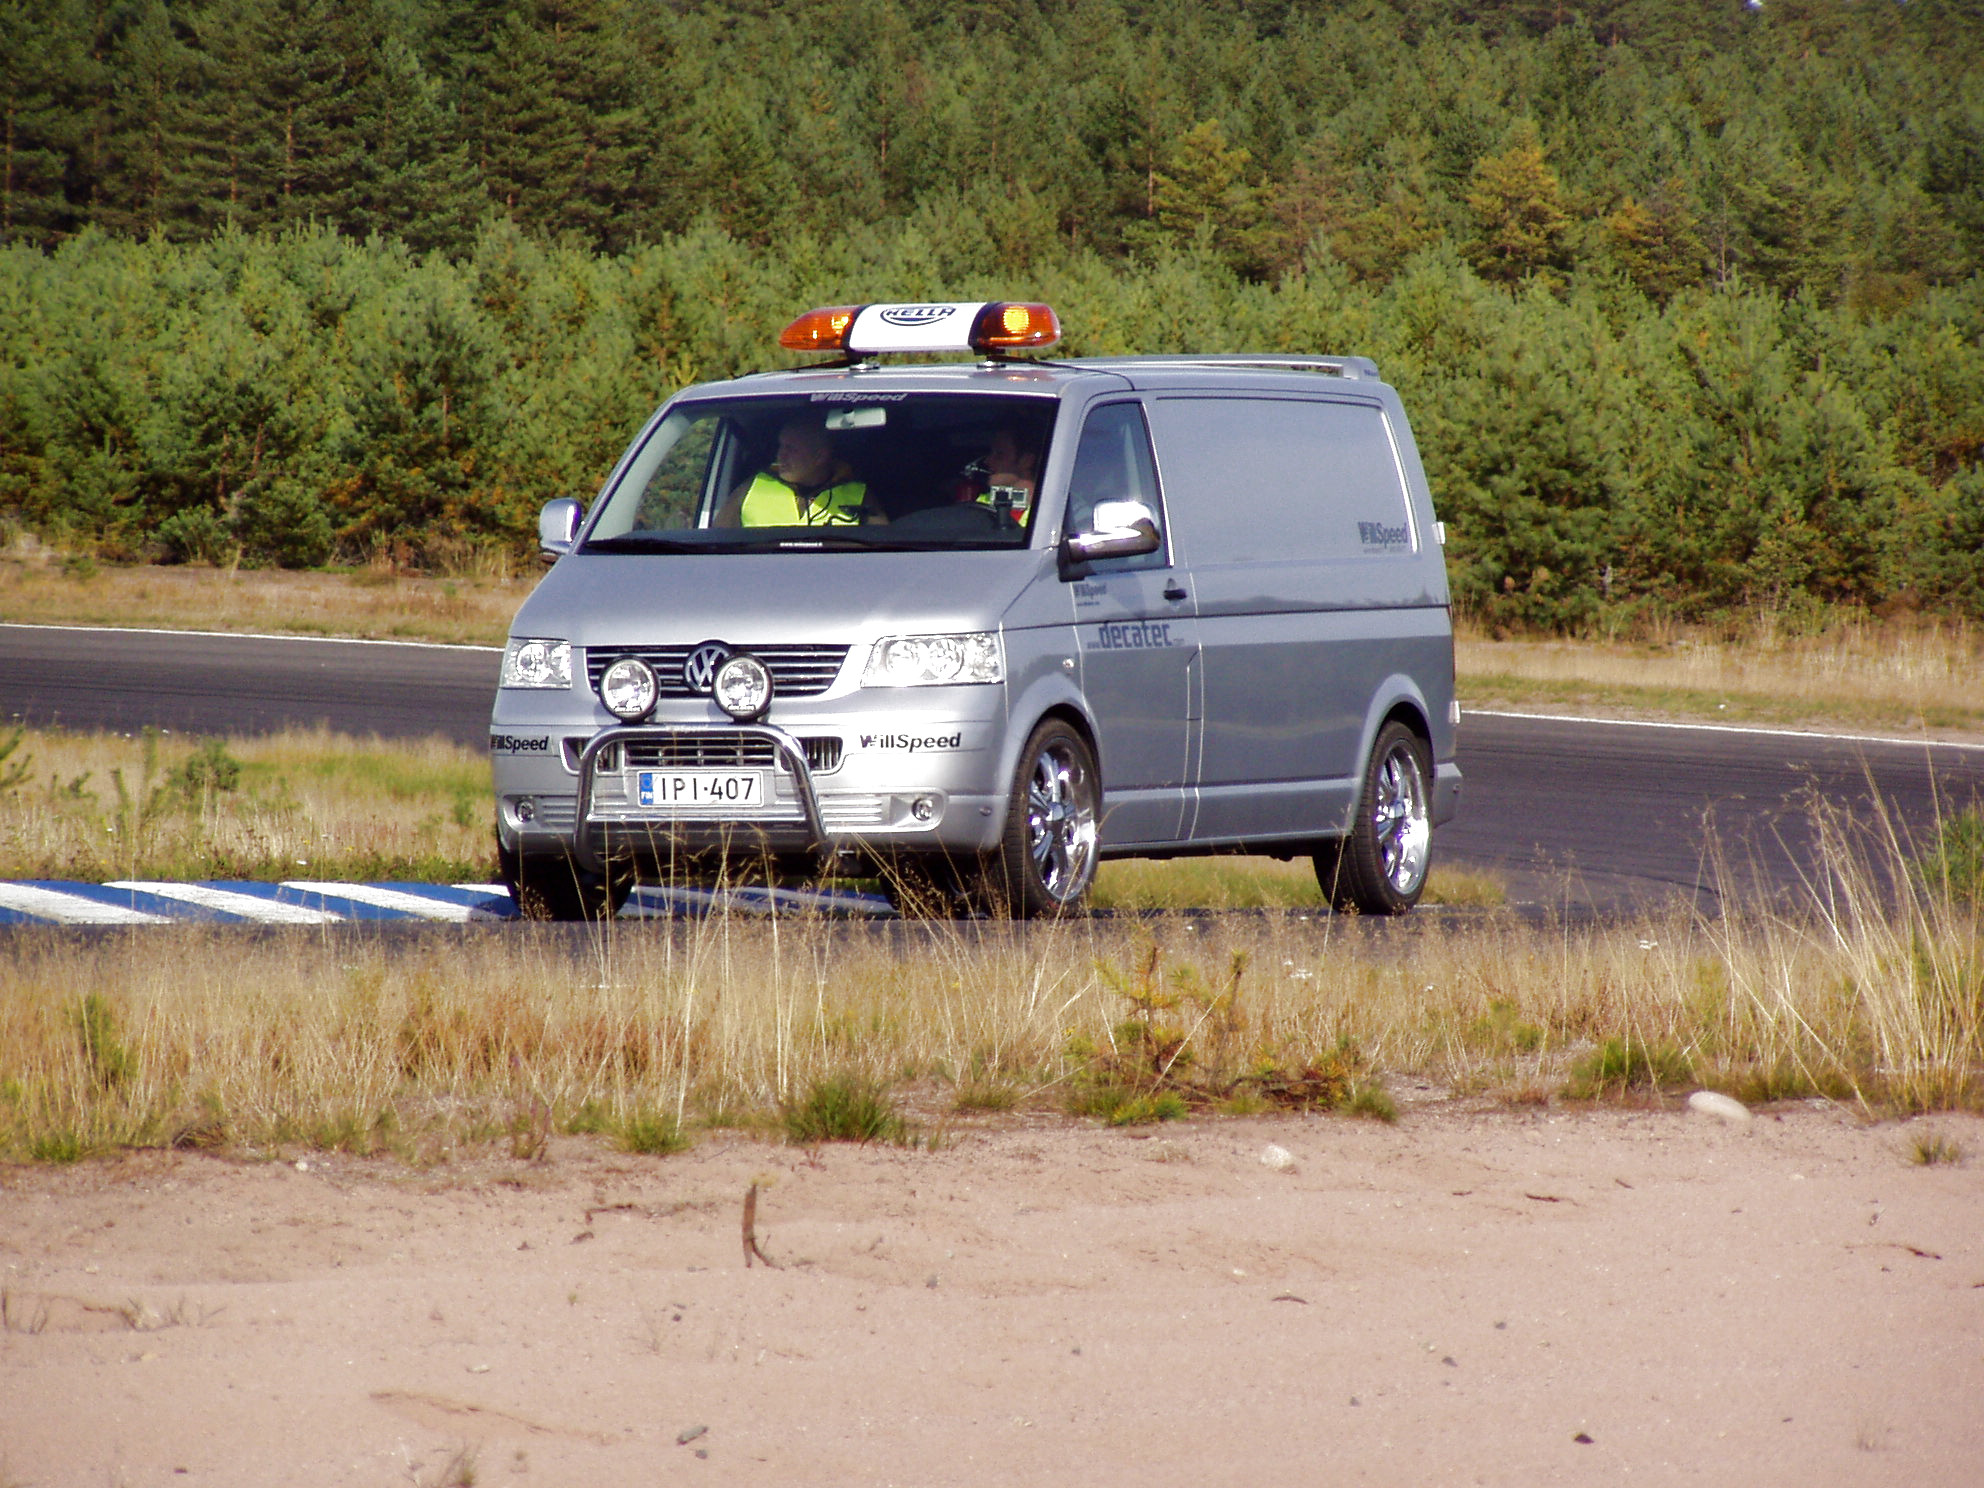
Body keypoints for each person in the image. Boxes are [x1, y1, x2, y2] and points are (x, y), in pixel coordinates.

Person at [714, 418, 877, 527]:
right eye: (780, 446)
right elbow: (716, 544)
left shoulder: (859, 495)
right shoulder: (751, 488)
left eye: (791, 449)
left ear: (819, 456)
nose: (780, 455)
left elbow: (881, 552)